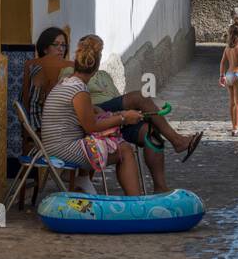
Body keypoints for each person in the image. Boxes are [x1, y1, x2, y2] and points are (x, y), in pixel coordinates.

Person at [40, 35, 143, 195]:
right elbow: (91, 127)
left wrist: (95, 109)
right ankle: (136, 201)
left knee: (105, 142)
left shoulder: (68, 81)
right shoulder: (79, 90)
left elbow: (79, 113)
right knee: (124, 150)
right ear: (96, 68)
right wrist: (123, 117)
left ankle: (82, 179)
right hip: (62, 149)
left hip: (52, 145)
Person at [86, 55, 202, 190]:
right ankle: (177, 141)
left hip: (115, 118)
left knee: (150, 132)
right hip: (98, 113)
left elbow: (118, 97)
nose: (96, 55)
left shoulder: (104, 74)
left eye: (98, 52)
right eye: (92, 50)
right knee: (140, 97)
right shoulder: (72, 73)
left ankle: (160, 187)